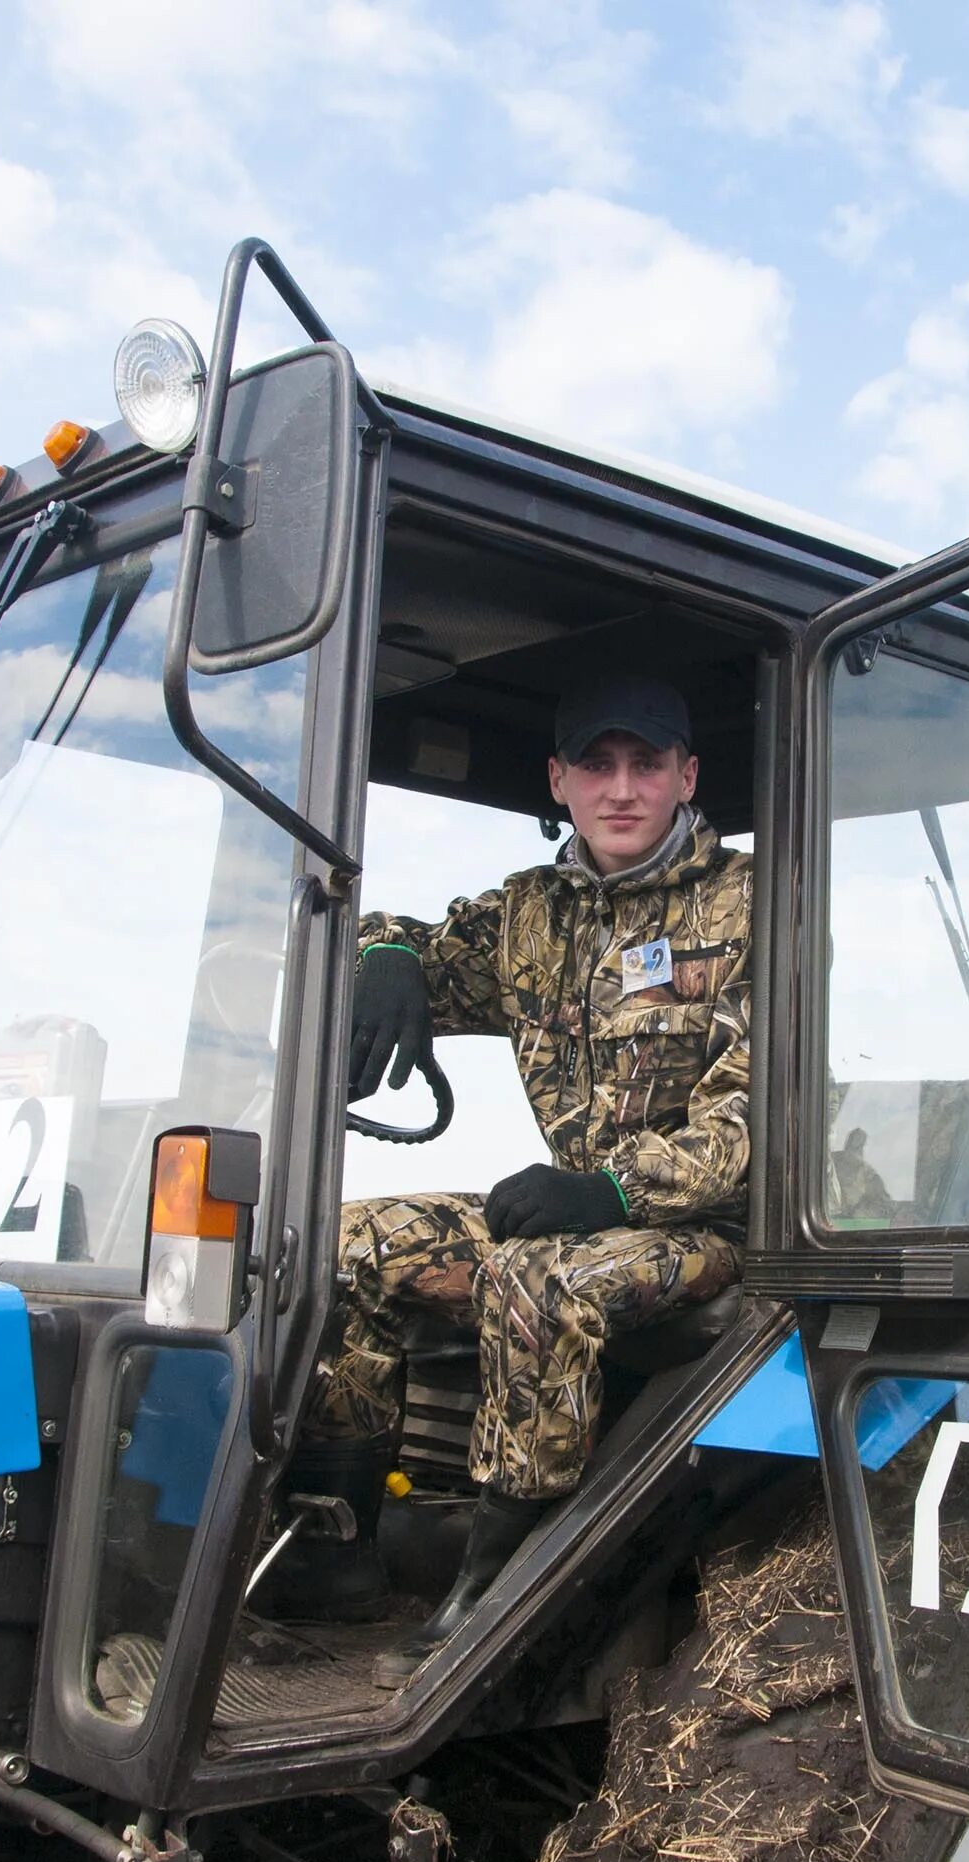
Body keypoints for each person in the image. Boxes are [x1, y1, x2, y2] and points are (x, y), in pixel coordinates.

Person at [282, 670, 752, 1686]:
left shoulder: (751, 904)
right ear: (560, 779)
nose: (620, 788)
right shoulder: (529, 915)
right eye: (597, 764)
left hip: (700, 1225)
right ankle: (336, 1546)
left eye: (646, 764)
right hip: (566, 1210)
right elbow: (401, 933)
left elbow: (756, 1113)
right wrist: (388, 955)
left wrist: (617, 1191)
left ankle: (499, 1585)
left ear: (686, 776)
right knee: (343, 1241)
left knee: (534, 1282)